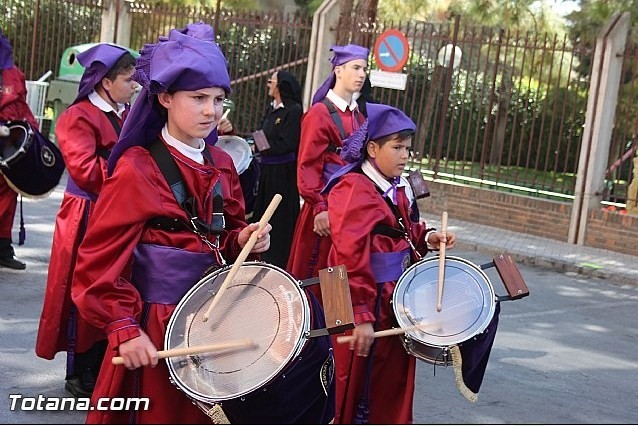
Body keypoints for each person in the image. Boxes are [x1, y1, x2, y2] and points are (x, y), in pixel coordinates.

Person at [70, 23, 333, 424]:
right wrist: (124, 326)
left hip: (216, 316)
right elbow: (95, 266)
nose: (211, 111)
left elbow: (223, 236)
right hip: (156, 323)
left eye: (218, 100)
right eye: (198, 98)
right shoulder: (136, 170)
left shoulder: (223, 163)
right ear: (164, 98)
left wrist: (243, 238)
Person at [322, 103, 457, 424]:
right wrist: (361, 316)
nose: (404, 155)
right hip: (355, 292)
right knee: (353, 377)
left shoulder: (395, 188)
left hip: (389, 294)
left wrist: (428, 238)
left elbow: (400, 230)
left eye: (408, 148)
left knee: (389, 378)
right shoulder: (353, 189)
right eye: (396, 147)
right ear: (372, 148)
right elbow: (349, 255)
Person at [35, 43, 137, 398]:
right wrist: (129, 173)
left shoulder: (121, 114)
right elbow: (85, 170)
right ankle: (79, 372)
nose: (134, 85)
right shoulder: (78, 116)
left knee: (111, 285)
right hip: (86, 212)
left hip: (112, 208)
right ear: (106, 82)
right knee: (83, 289)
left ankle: (100, 363)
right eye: (128, 79)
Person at [287, 43, 369, 282]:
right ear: (339, 71)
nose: (361, 74)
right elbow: (307, 165)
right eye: (355, 67)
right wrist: (320, 208)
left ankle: (335, 320)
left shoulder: (358, 115)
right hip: (324, 212)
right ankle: (312, 320)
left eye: (364, 68)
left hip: (349, 211)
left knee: (340, 279)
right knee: (316, 278)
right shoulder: (319, 114)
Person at [251, 70, 303, 268]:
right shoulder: (271, 109)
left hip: (283, 175)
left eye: (271, 81)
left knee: (279, 219)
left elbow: (288, 143)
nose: (269, 84)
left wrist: (263, 147)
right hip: (267, 173)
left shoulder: (293, 110)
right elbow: (262, 135)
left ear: (281, 85)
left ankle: (278, 260)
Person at [0, 30, 39, 270]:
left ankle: (3, 249)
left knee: (8, 197)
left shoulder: (15, 75)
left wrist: (33, 129)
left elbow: (22, 106)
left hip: (10, 145)